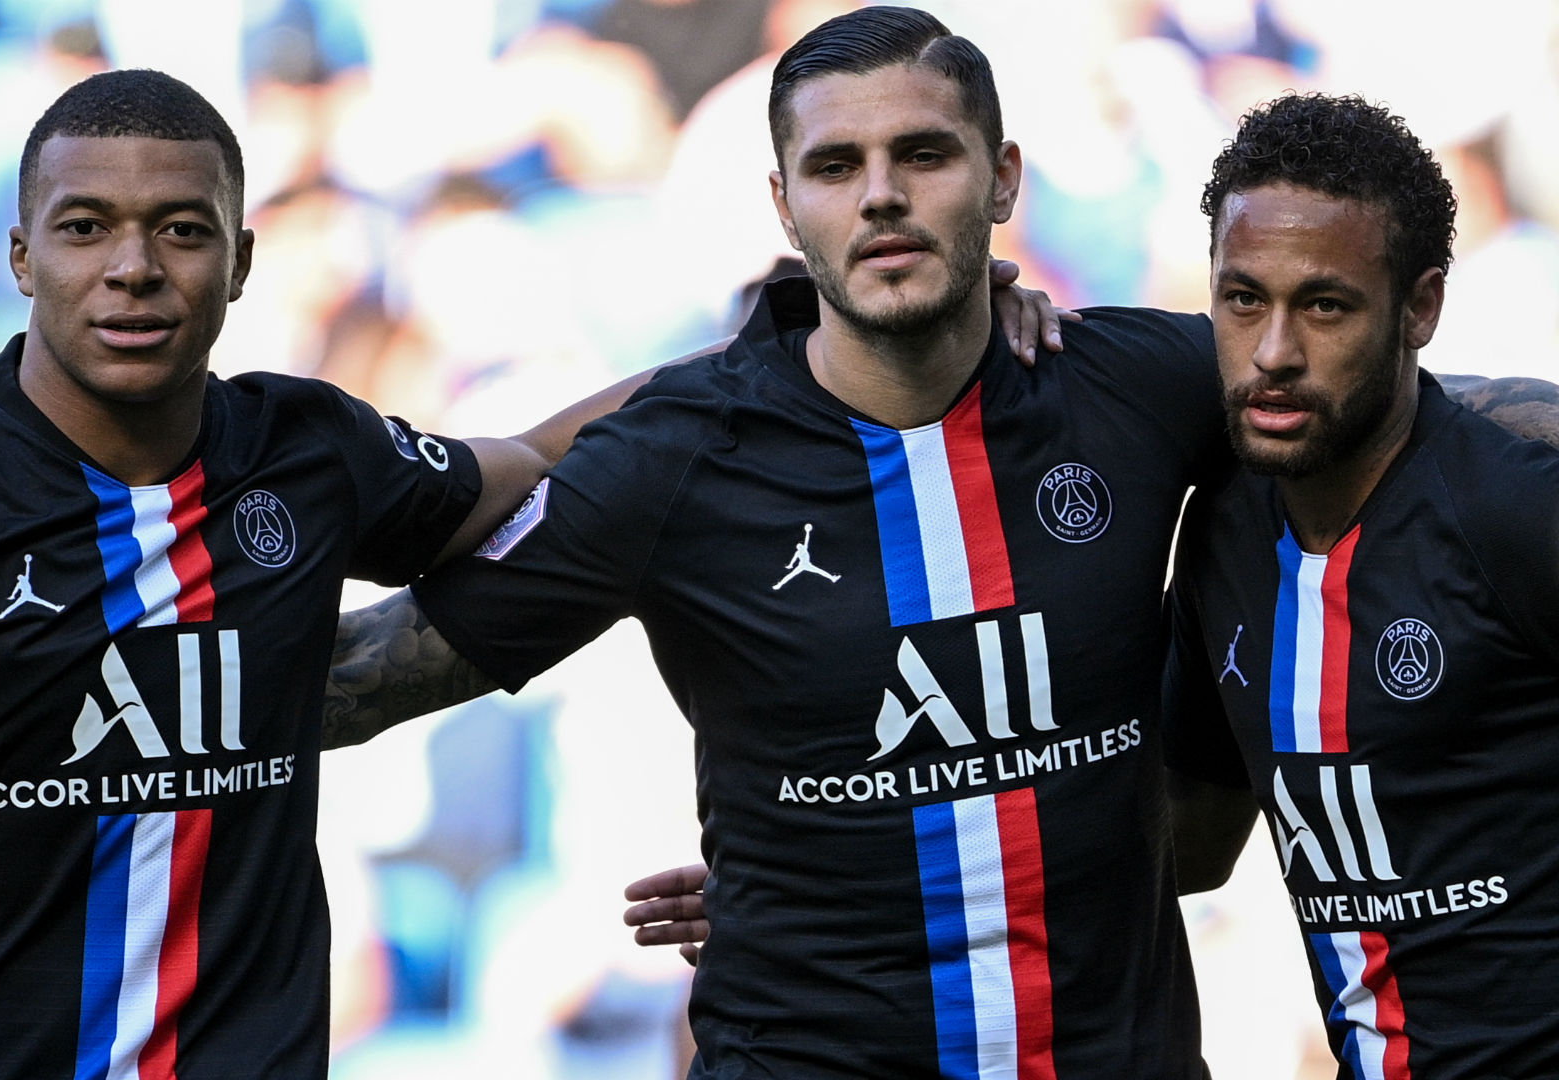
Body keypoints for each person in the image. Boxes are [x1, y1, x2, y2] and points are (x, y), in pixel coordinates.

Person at [0, 68, 688, 1078]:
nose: (133, 267)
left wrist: (746, 369)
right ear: (22, 256)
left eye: (181, 230)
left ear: (240, 261)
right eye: (84, 227)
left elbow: (535, 460)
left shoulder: (306, 451)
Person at [323, 8, 1232, 1076]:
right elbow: (355, 682)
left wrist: (881, 871)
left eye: (924, 155)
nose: (880, 194)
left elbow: (1392, 415)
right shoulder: (679, 455)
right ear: (784, 207)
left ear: (1003, 180)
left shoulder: (1142, 386)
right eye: (835, 166)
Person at [1164, 92, 1559, 1077]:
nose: (1274, 353)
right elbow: (1191, 847)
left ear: (1420, 308)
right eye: (1242, 299)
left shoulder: (1515, 510)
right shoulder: (1223, 534)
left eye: (1325, 306)